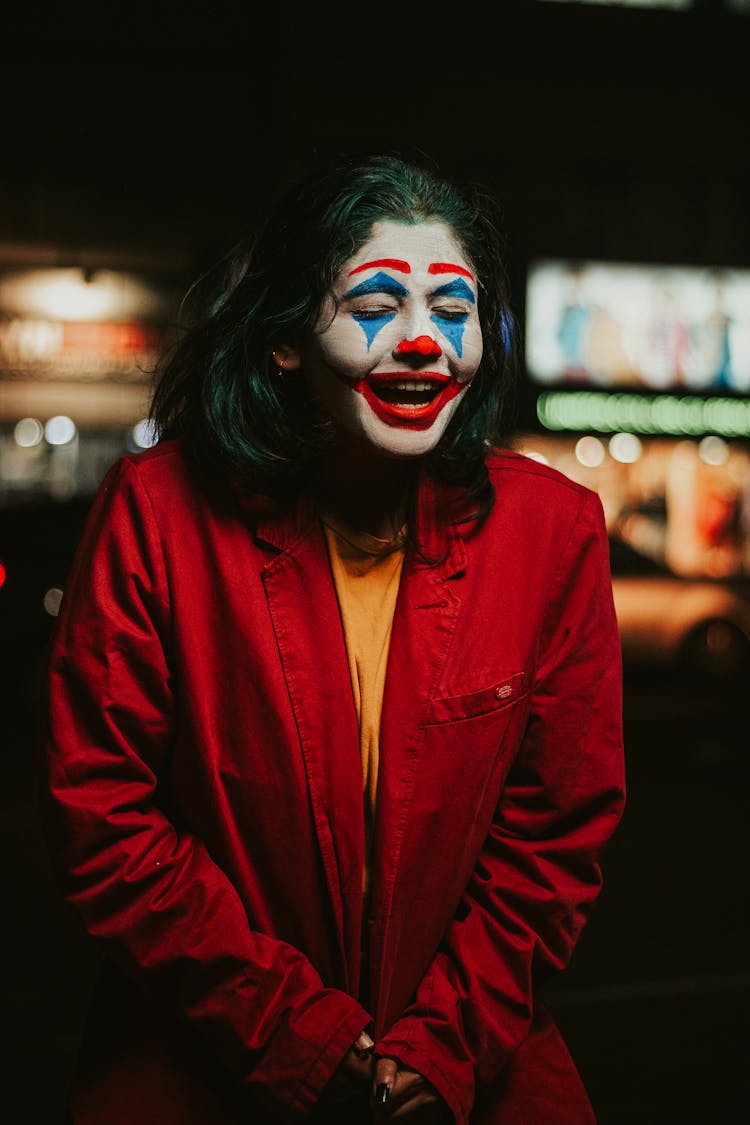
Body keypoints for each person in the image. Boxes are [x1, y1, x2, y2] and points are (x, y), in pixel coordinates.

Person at [40, 149, 625, 1124]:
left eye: (452, 309)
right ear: (283, 340)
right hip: (205, 1052)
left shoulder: (552, 533)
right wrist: (294, 1035)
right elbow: (103, 816)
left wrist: (441, 1045)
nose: (423, 341)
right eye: (375, 303)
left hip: (469, 1062)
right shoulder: (159, 510)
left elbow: (555, 835)